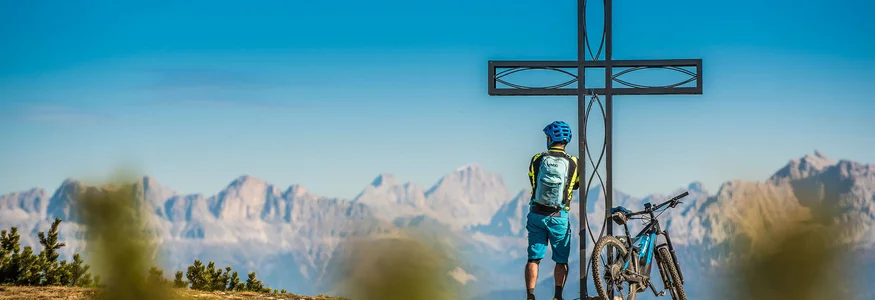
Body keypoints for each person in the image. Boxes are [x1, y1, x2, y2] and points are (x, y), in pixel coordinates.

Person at [525, 120, 580, 300]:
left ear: (549, 138)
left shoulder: (537, 159)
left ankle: (530, 296)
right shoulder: (574, 163)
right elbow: (576, 185)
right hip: (559, 216)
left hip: (536, 214)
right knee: (561, 260)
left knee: (534, 258)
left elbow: (533, 181)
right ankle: (558, 296)